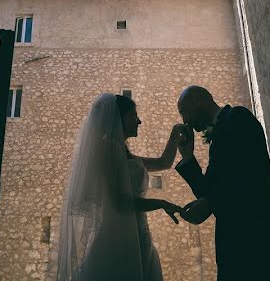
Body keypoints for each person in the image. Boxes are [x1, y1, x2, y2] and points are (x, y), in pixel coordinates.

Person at [56, 93, 187, 281]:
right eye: (133, 115)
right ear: (118, 118)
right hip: (119, 239)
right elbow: (120, 203)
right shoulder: (107, 150)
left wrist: (175, 133)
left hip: (137, 234)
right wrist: (162, 203)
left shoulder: (122, 152)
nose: (139, 121)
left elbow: (163, 163)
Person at [176, 85, 270, 281]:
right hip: (238, 250)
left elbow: (253, 176)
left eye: (185, 112)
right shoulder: (216, 141)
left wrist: (211, 203)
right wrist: (188, 156)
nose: (185, 121)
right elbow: (207, 191)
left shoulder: (238, 118)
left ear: (199, 99)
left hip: (258, 243)